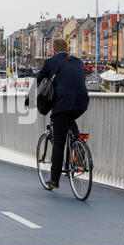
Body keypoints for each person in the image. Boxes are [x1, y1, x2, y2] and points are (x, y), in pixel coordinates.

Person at [35, 39, 89, 189]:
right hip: (81, 102)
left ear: (53, 50)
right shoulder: (78, 61)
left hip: (63, 104)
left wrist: (30, 98)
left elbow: (38, 80)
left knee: (59, 143)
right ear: (67, 49)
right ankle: (79, 147)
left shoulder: (51, 61)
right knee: (69, 119)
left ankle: (54, 180)